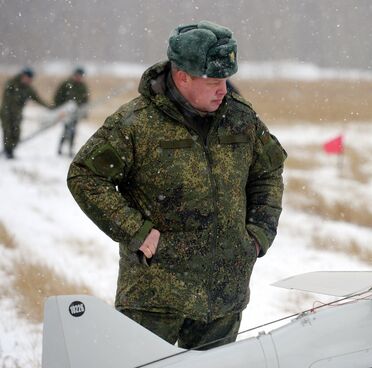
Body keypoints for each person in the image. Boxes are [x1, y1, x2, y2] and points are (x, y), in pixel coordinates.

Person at [67, 21, 286, 350]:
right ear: (182, 76)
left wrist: (258, 234)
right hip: (154, 296)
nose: (223, 90)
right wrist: (135, 231)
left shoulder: (240, 118)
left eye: (226, 79)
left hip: (224, 296)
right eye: (213, 81)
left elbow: (268, 170)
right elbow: (85, 176)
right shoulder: (136, 124)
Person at [1, 67, 52, 159]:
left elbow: (37, 99)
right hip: (6, 113)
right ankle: (8, 152)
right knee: (8, 132)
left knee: (16, 133)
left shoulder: (28, 89)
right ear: (23, 76)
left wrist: (49, 107)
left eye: (31, 79)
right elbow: (8, 99)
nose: (29, 81)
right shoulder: (12, 84)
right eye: (28, 78)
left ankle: (11, 149)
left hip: (17, 114)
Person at [54, 67, 90, 157]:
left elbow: (85, 100)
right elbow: (58, 97)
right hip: (66, 112)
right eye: (78, 76)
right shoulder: (66, 84)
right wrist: (59, 109)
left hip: (76, 113)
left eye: (81, 76)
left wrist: (85, 112)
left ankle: (70, 150)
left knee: (73, 131)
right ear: (74, 75)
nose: (79, 78)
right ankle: (60, 148)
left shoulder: (83, 86)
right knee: (66, 129)